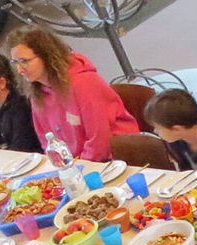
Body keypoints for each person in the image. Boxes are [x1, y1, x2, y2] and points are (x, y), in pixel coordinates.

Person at [8, 25, 139, 161]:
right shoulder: (37, 92)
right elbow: (47, 140)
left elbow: (99, 140)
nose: (19, 69)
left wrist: (78, 168)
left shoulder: (84, 82)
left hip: (117, 157)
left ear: (46, 55)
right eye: (15, 62)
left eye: (24, 61)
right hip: (80, 162)